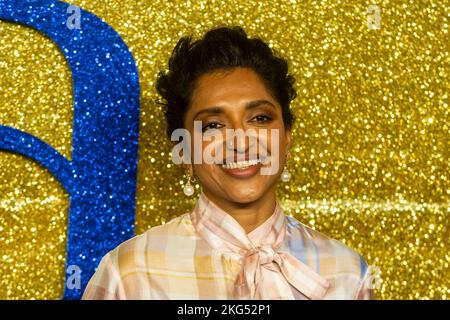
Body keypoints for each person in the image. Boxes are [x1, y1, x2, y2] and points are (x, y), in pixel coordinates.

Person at [82, 26, 373, 300]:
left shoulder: (346, 272)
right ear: (183, 151)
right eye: (213, 125)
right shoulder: (130, 273)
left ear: (287, 136)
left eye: (260, 118)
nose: (241, 141)